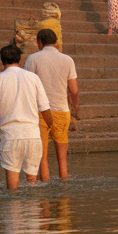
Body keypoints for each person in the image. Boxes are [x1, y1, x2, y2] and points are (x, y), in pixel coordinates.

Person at [0, 44, 52, 190]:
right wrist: (50, 124)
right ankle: (32, 211)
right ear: (21, 60)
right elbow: (45, 108)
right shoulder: (33, 77)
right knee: (32, 181)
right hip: (32, 136)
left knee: (12, 185)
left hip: (11, 137)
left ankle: (14, 211)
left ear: (2, 61)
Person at [24, 28, 79, 182]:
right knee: (62, 160)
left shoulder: (32, 59)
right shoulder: (68, 60)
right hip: (62, 112)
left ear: (39, 43)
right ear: (56, 43)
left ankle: (45, 197)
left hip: (40, 113)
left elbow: (27, 87)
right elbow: (74, 90)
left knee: (43, 158)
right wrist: (76, 108)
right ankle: (64, 193)